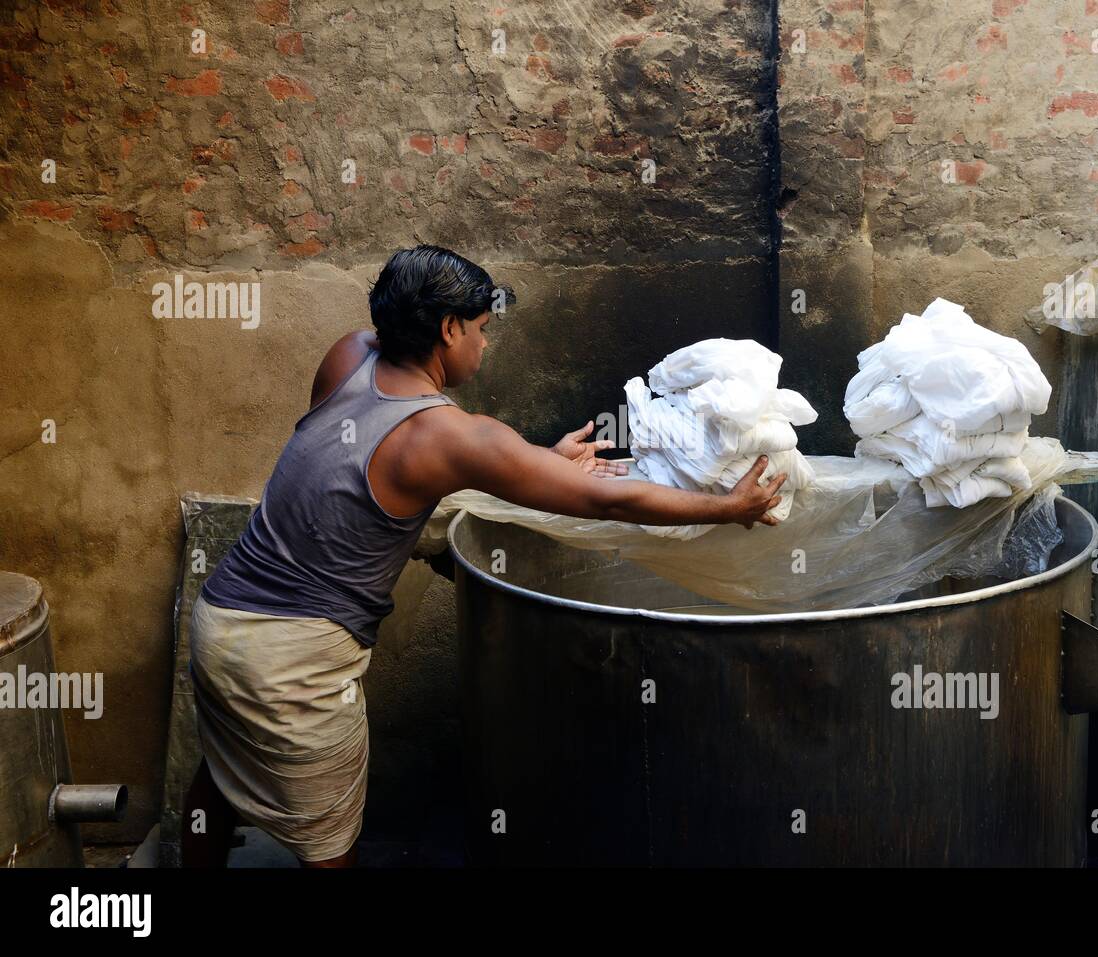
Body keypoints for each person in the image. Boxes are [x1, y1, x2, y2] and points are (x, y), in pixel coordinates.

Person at [182, 244, 788, 867]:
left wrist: (538, 465)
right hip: (293, 660)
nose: (485, 344)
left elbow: (354, 481)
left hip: (223, 619)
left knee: (224, 778)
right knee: (329, 844)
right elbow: (606, 502)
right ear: (448, 330)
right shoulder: (448, 434)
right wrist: (727, 508)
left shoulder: (348, 356)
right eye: (481, 329)